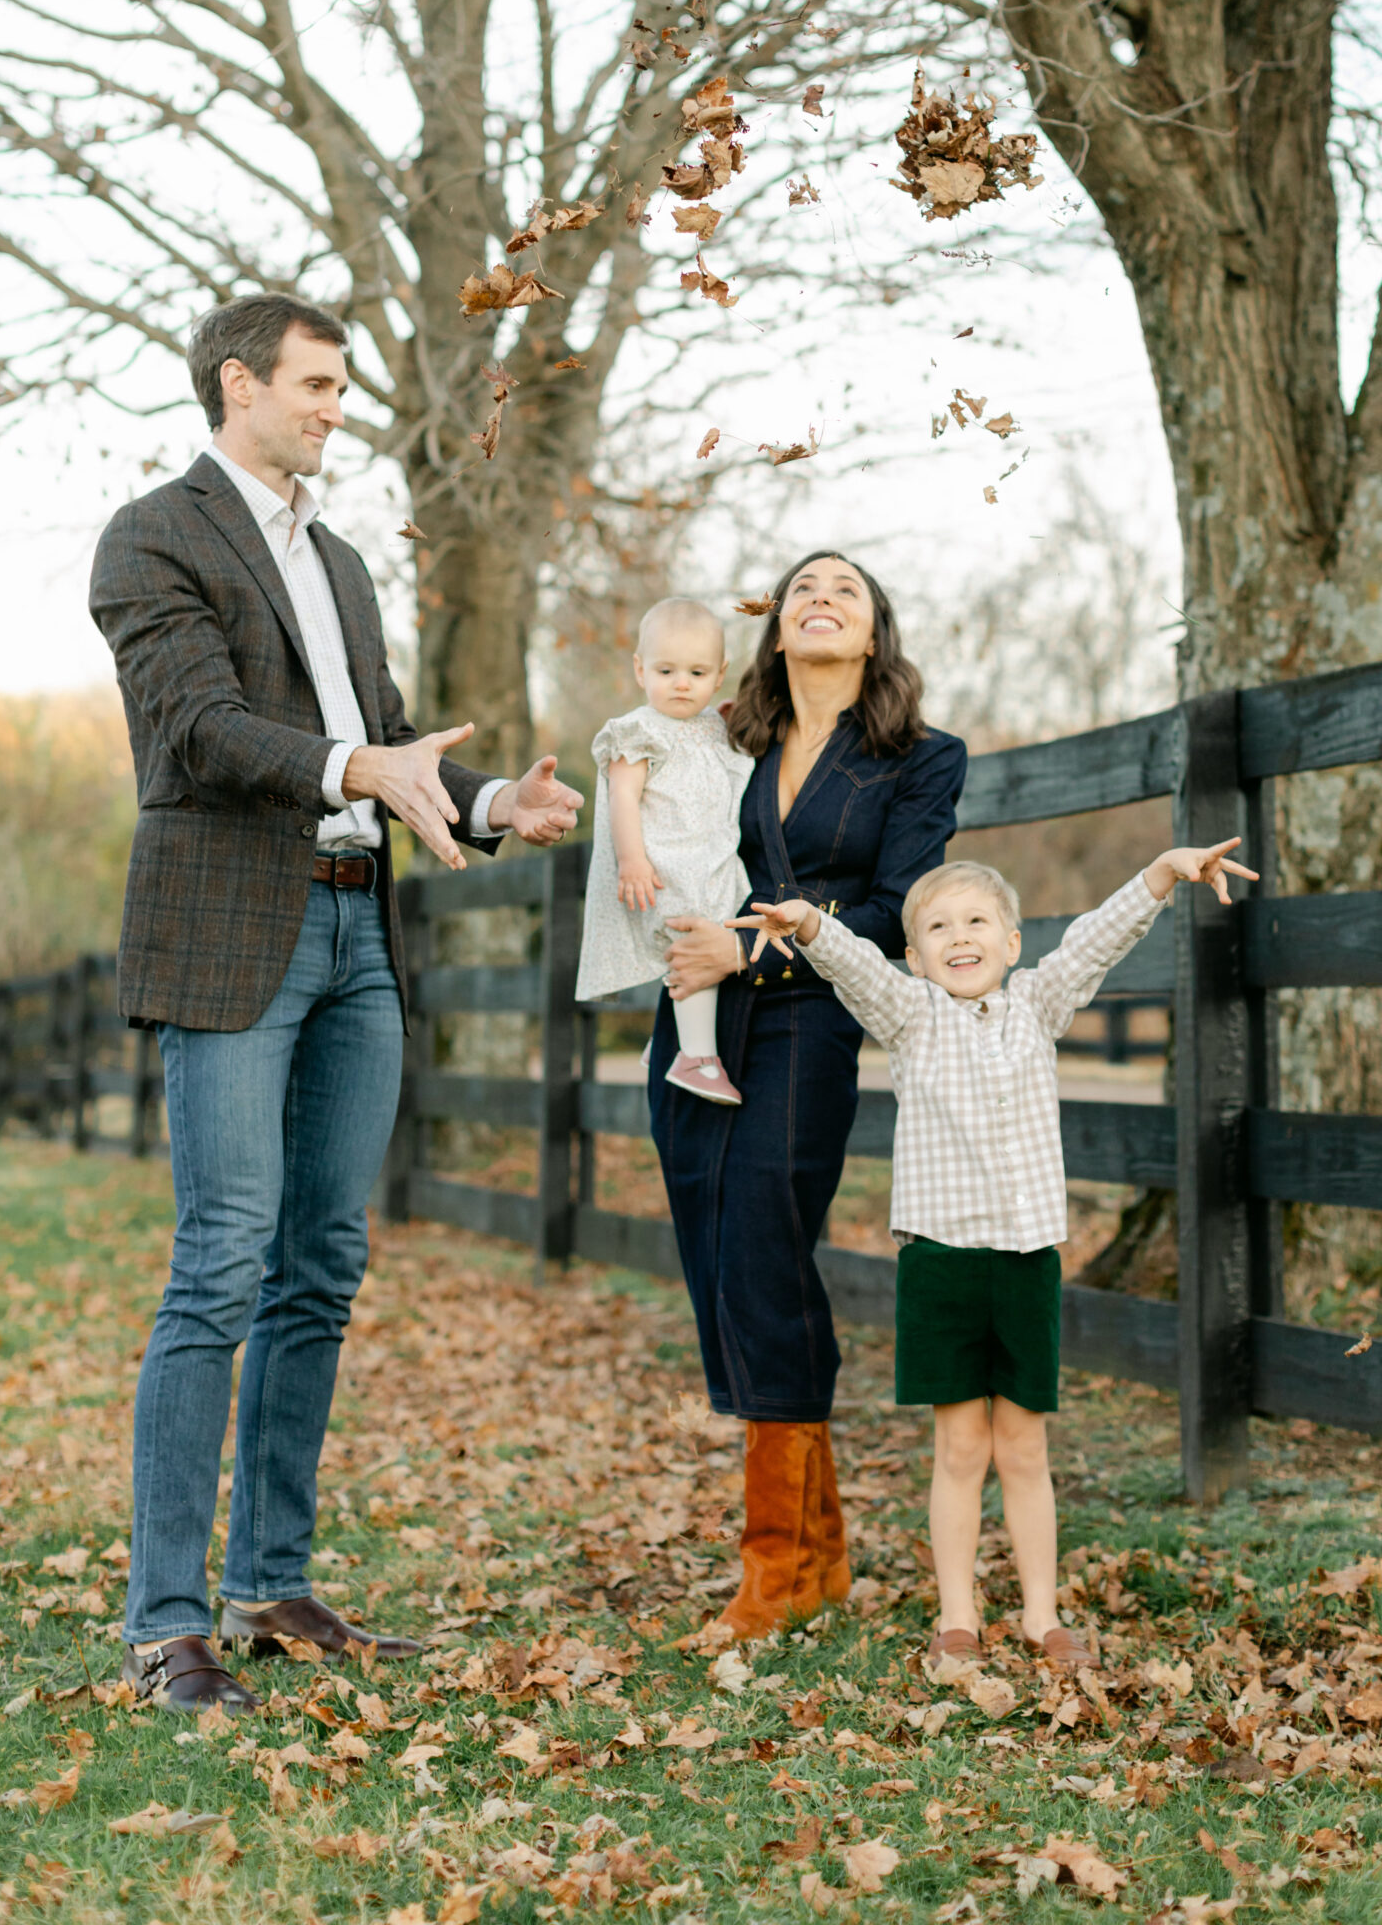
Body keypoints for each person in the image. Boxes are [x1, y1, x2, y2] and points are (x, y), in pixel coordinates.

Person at [89, 292, 582, 1714]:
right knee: (220, 1263)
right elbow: (196, 730)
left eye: (340, 384)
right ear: (237, 384)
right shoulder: (154, 535)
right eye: (312, 383)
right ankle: (164, 1621)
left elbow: (388, 734)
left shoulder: (346, 562)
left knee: (323, 1263)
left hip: (363, 936)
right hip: (235, 934)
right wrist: (359, 770)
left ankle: (270, 1585)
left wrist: (490, 801)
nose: (333, 406)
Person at [737, 836, 1256, 1678]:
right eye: (937, 927)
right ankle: (957, 1616)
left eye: (977, 920)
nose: (959, 936)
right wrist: (809, 926)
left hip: (1024, 1261)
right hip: (941, 1264)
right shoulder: (911, 1016)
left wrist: (1159, 873)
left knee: (1022, 1448)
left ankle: (1041, 1614)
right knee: (959, 1450)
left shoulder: (1036, 1006)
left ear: (1011, 943)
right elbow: (857, 969)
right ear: (917, 954)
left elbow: (1094, 938)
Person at [649, 551, 966, 1639]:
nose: (820, 597)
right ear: (776, 631)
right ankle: (820, 1558)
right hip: (693, 1017)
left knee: (764, 1253)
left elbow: (896, 909)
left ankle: (772, 1573)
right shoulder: (716, 742)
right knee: (717, 1258)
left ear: (874, 632)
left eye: (846, 589)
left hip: (810, 1015)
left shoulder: (920, 761)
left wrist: (758, 950)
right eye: (800, 590)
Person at [576, 598, 754, 1106]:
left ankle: (671, 1041)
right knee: (695, 936)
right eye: (666, 670)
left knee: (714, 933)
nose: (681, 683)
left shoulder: (712, 725)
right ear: (639, 670)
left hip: (705, 861)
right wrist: (632, 859)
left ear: (719, 675)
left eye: (696, 672)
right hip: (663, 865)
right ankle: (696, 1058)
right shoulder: (640, 728)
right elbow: (622, 797)